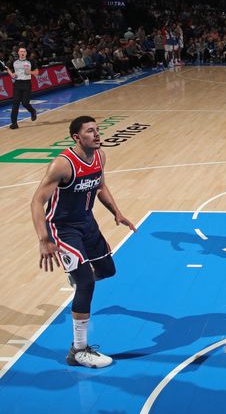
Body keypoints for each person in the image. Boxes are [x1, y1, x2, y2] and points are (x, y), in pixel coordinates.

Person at [30, 116, 137, 368]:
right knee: (87, 283)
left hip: (88, 224)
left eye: (98, 130)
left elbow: (100, 186)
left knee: (107, 271)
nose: (97, 135)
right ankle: (78, 350)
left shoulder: (100, 157)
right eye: (90, 131)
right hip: (63, 229)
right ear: (77, 137)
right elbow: (36, 201)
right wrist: (44, 238)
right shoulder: (62, 165)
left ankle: (76, 276)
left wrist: (116, 212)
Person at [6, 47, 38, 129]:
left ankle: (32, 111)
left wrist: (30, 72)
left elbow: (37, 72)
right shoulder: (14, 61)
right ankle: (14, 123)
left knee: (25, 103)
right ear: (18, 53)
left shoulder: (31, 61)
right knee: (15, 104)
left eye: (24, 51)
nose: (22, 52)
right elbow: (7, 68)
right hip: (17, 84)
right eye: (21, 51)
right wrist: (12, 74)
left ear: (26, 53)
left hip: (27, 84)